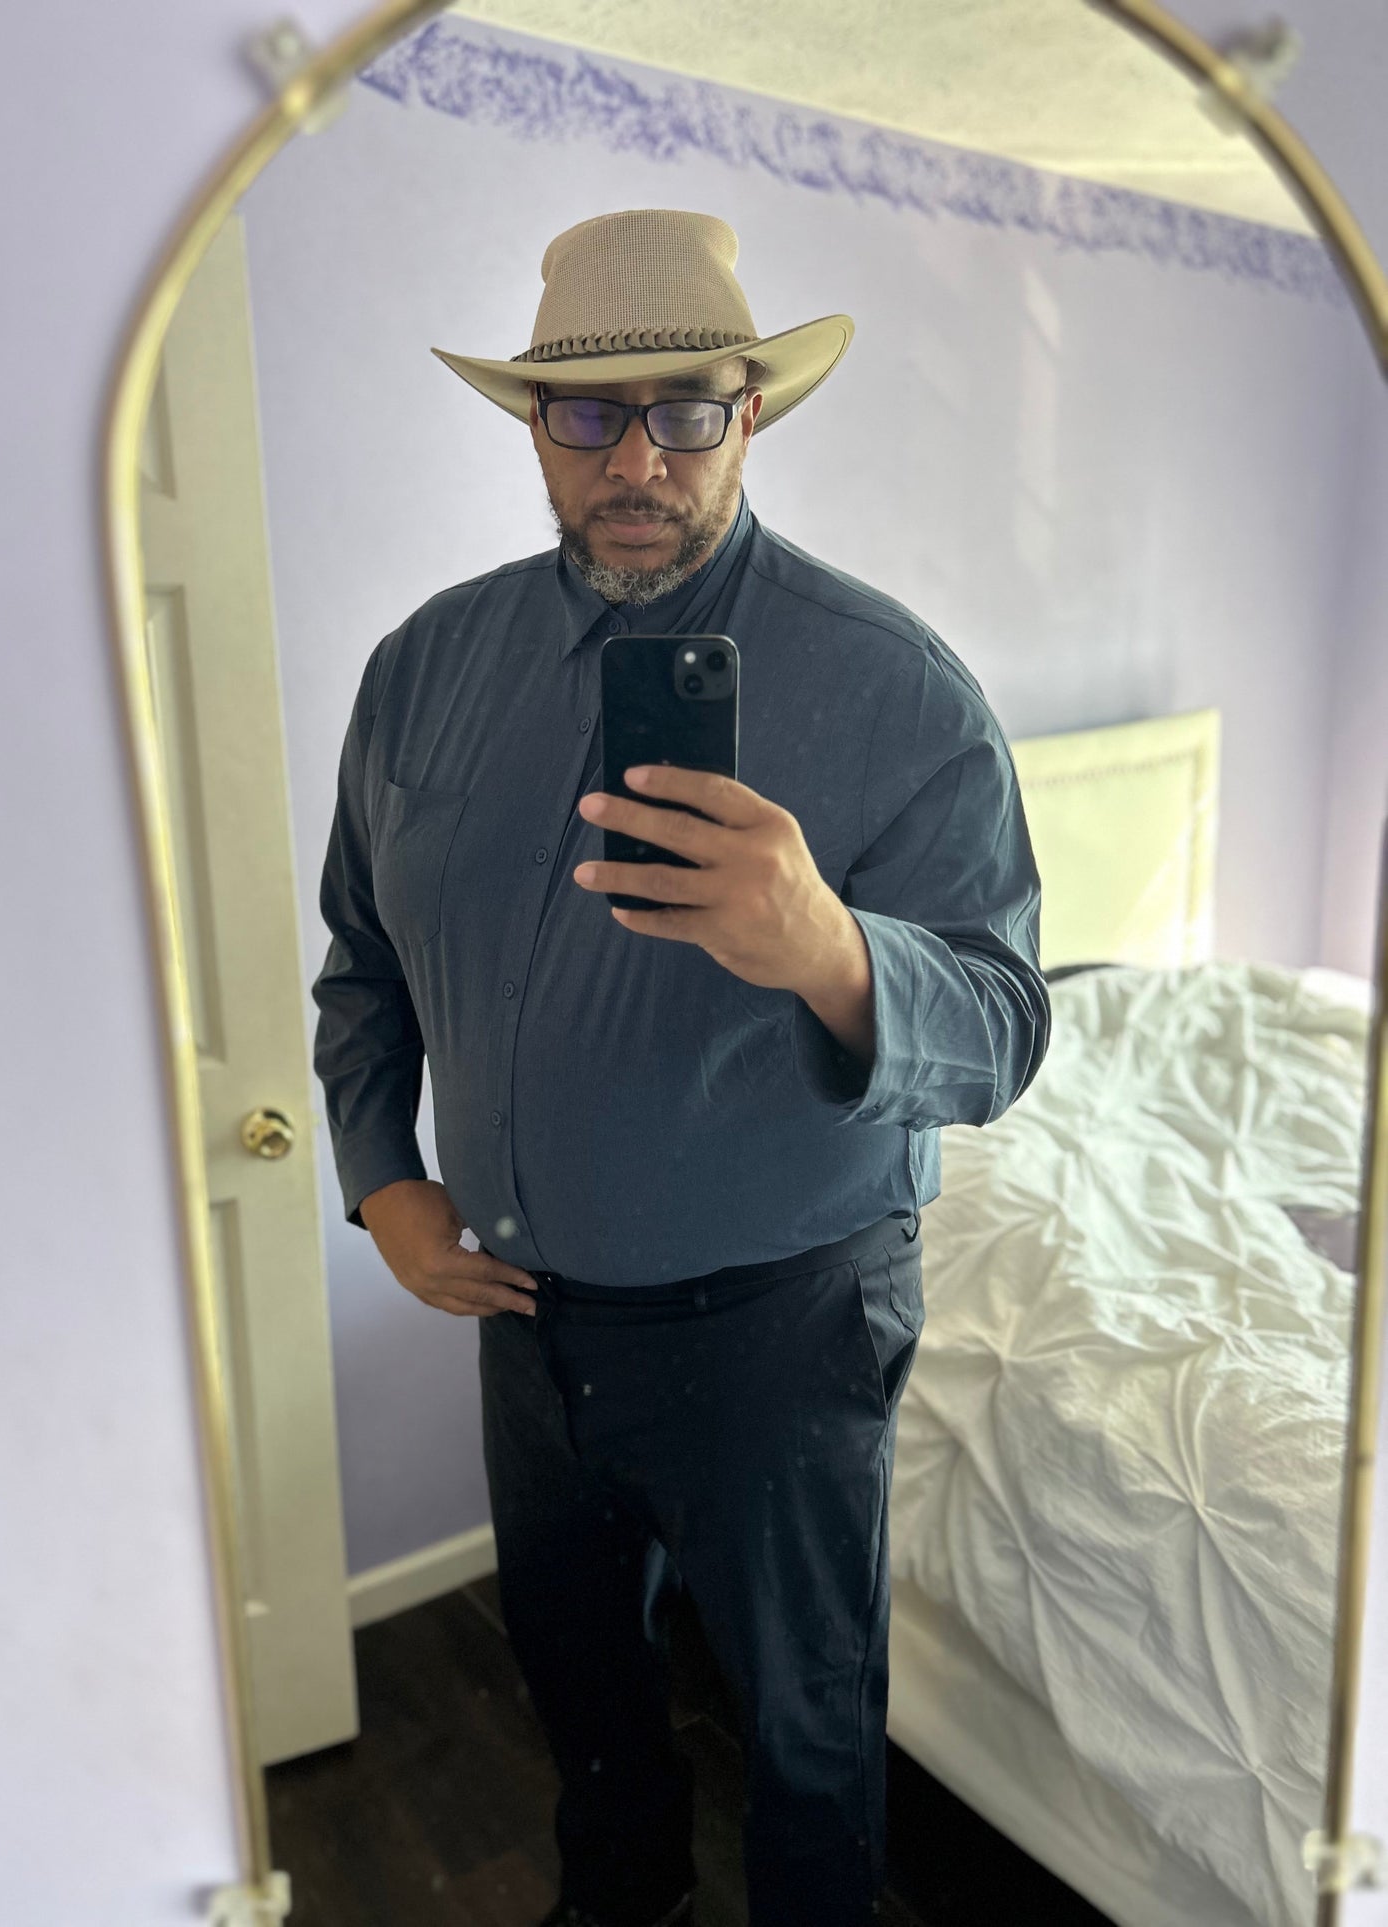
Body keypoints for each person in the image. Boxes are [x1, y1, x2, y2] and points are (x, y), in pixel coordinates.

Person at [311, 207, 1050, 1927]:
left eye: (686, 410)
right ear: (532, 427)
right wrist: (381, 1174)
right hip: (523, 1317)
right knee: (579, 1690)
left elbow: (1002, 1030)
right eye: (587, 413)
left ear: (749, 414)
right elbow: (362, 959)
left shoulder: (896, 688)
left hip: (782, 1327)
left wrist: (826, 945)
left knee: (803, 1728)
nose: (636, 459)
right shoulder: (420, 670)